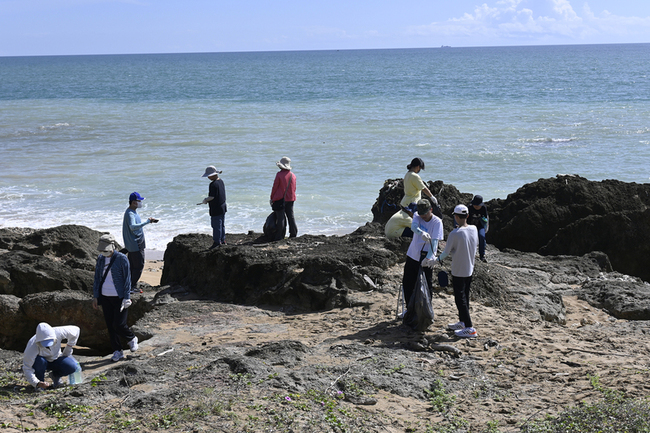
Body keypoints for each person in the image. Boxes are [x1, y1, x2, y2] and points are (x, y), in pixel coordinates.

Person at [92, 234, 139, 362]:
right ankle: (117, 351)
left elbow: (127, 280)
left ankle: (131, 338)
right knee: (110, 326)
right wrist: (96, 296)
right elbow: (97, 278)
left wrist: (127, 297)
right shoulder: (100, 259)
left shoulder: (122, 258)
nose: (104, 253)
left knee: (119, 324)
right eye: (102, 250)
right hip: (105, 297)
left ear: (113, 247)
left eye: (106, 250)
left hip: (119, 297)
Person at [436, 204, 479, 339]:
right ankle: (462, 323)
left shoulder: (454, 233)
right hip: (469, 269)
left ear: (455, 217)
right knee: (464, 297)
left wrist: (434, 261)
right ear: (467, 216)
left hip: (458, 270)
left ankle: (469, 328)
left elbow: (446, 253)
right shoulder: (474, 229)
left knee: (460, 300)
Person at [401, 199, 444, 309]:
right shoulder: (417, 215)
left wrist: (429, 258)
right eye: (421, 213)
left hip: (427, 257)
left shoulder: (437, 222)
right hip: (413, 254)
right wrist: (421, 233)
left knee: (426, 285)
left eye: (425, 213)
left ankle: (427, 310)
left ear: (431, 209)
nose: (423, 216)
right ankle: (409, 309)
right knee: (408, 283)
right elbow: (414, 227)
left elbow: (434, 242)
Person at [23, 322, 80, 391]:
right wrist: (36, 383)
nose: (48, 346)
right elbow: (27, 367)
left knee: (71, 366)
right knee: (39, 361)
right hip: (41, 363)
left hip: (56, 359)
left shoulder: (59, 332)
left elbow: (76, 330)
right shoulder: (32, 346)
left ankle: (55, 376)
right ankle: (40, 384)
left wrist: (69, 347)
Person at [122, 192, 157, 294]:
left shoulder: (131, 212)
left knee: (132, 267)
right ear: (134, 202)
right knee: (138, 266)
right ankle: (131, 287)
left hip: (133, 244)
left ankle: (129, 286)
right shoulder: (130, 213)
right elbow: (133, 227)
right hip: (135, 244)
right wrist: (147, 222)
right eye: (139, 201)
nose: (141, 203)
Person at [199, 166, 227, 249]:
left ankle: (217, 242)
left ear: (213, 175)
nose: (208, 177)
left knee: (216, 226)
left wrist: (205, 200)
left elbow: (212, 197)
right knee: (222, 225)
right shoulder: (221, 181)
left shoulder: (213, 184)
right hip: (222, 206)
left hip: (216, 208)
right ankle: (222, 240)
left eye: (209, 175)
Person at [270, 156, 297, 240]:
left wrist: (271, 198)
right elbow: (294, 188)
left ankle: (279, 236)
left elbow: (275, 188)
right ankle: (293, 233)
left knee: (281, 218)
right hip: (291, 199)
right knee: (291, 217)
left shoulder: (279, 175)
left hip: (280, 199)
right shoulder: (293, 176)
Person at [468, 195, 489, 262]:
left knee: (482, 236)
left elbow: (486, 219)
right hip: (470, 226)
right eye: (475, 204)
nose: (476, 206)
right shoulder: (470, 207)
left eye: (478, 205)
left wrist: (486, 227)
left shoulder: (483, 208)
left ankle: (482, 255)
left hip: (480, 226)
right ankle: (469, 253)